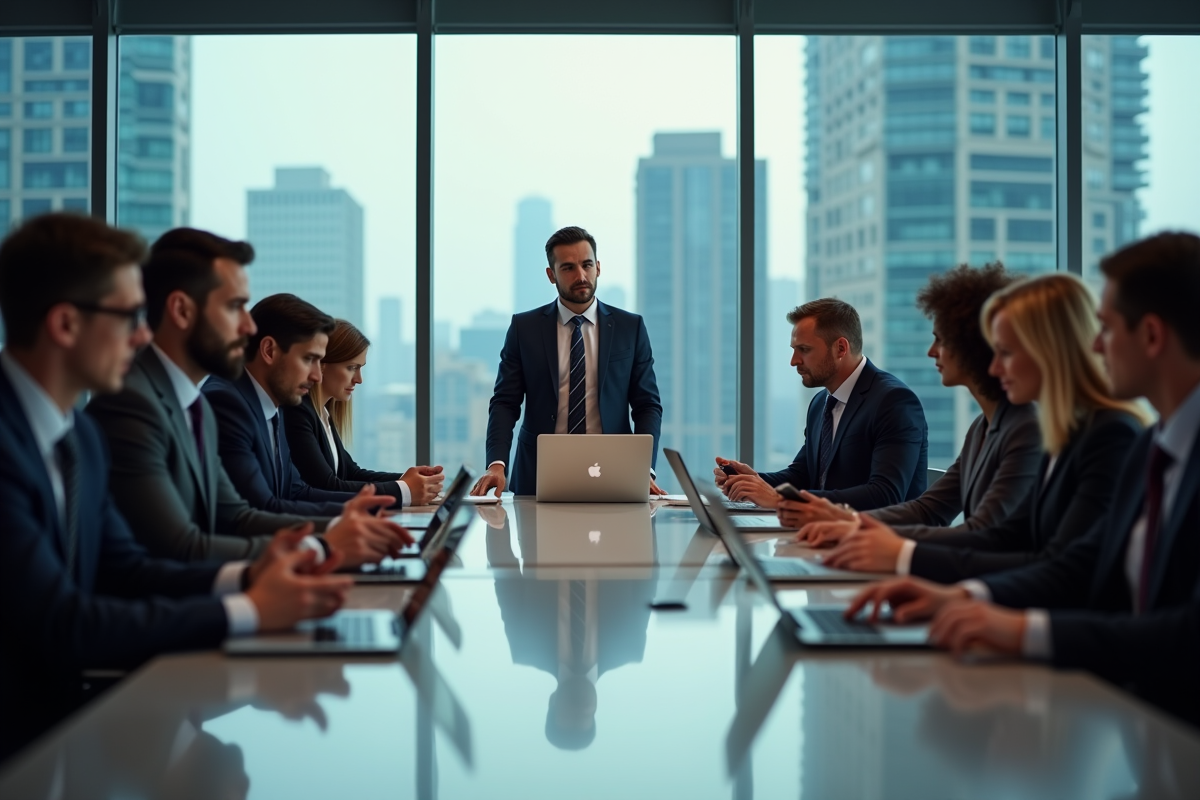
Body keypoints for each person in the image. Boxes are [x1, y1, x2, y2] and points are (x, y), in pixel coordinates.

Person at [0, 213, 354, 762]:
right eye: (126, 316)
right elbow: (61, 622)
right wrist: (251, 610)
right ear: (66, 325)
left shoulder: (79, 442)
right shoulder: (44, 435)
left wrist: (259, 573)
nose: (141, 334)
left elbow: (128, 568)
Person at [847, 231, 1200, 729]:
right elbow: (1065, 559)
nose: (1096, 345)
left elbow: (1175, 627)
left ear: (1151, 336)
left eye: (1107, 328)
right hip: (1131, 711)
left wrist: (1017, 627)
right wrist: (964, 597)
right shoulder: (1140, 443)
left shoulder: (1116, 436)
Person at [86, 228, 409, 565]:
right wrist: (323, 546)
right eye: (234, 306)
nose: (248, 327)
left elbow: (238, 515)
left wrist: (346, 523)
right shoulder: (139, 406)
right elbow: (180, 547)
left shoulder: (196, 407)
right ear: (181, 311)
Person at [819, 273, 1146, 580]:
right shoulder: (1002, 427)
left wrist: (896, 551)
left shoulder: (1058, 430)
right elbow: (1001, 534)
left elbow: (1041, 558)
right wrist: (854, 525)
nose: (993, 364)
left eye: (1005, 351)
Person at [782, 263, 1042, 537]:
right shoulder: (982, 426)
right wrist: (846, 522)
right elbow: (929, 510)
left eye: (940, 340)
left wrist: (895, 550)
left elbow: (984, 535)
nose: (931, 352)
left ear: (975, 344)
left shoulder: (1024, 428)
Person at [472, 226, 664, 497]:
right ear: (551, 275)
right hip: (537, 476)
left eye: (587, 265)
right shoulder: (524, 328)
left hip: (615, 473)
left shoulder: (629, 327)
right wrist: (496, 464)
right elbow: (505, 402)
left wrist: (644, 468)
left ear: (598, 267)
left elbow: (647, 405)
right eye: (568, 268)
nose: (581, 276)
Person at [716, 298, 929, 510]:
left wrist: (781, 500)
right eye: (794, 349)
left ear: (841, 348)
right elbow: (803, 475)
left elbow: (885, 495)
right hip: (827, 533)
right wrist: (753, 482)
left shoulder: (894, 402)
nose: (794, 360)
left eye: (804, 349)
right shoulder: (820, 402)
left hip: (879, 540)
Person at [203, 294, 366, 516]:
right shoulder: (227, 403)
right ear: (269, 350)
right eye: (309, 359)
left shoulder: (273, 406)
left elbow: (296, 492)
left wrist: (373, 507)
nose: (318, 376)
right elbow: (260, 508)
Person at [283, 318, 444, 505]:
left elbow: (351, 473)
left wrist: (410, 479)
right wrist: (404, 490)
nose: (359, 379)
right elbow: (326, 485)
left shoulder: (322, 414)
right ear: (322, 365)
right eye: (352, 368)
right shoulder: (298, 413)